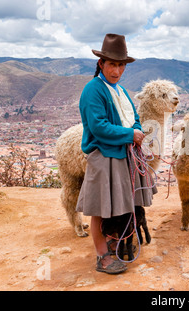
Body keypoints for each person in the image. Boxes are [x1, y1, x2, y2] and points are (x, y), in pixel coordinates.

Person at [76, 34, 154, 274]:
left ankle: (114, 242)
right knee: (101, 208)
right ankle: (102, 256)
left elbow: (134, 117)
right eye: (112, 64)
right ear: (101, 64)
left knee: (119, 204)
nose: (117, 70)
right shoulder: (93, 91)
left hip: (122, 156)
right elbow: (98, 126)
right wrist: (130, 135)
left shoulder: (119, 91)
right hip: (104, 156)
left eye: (121, 65)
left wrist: (138, 129)